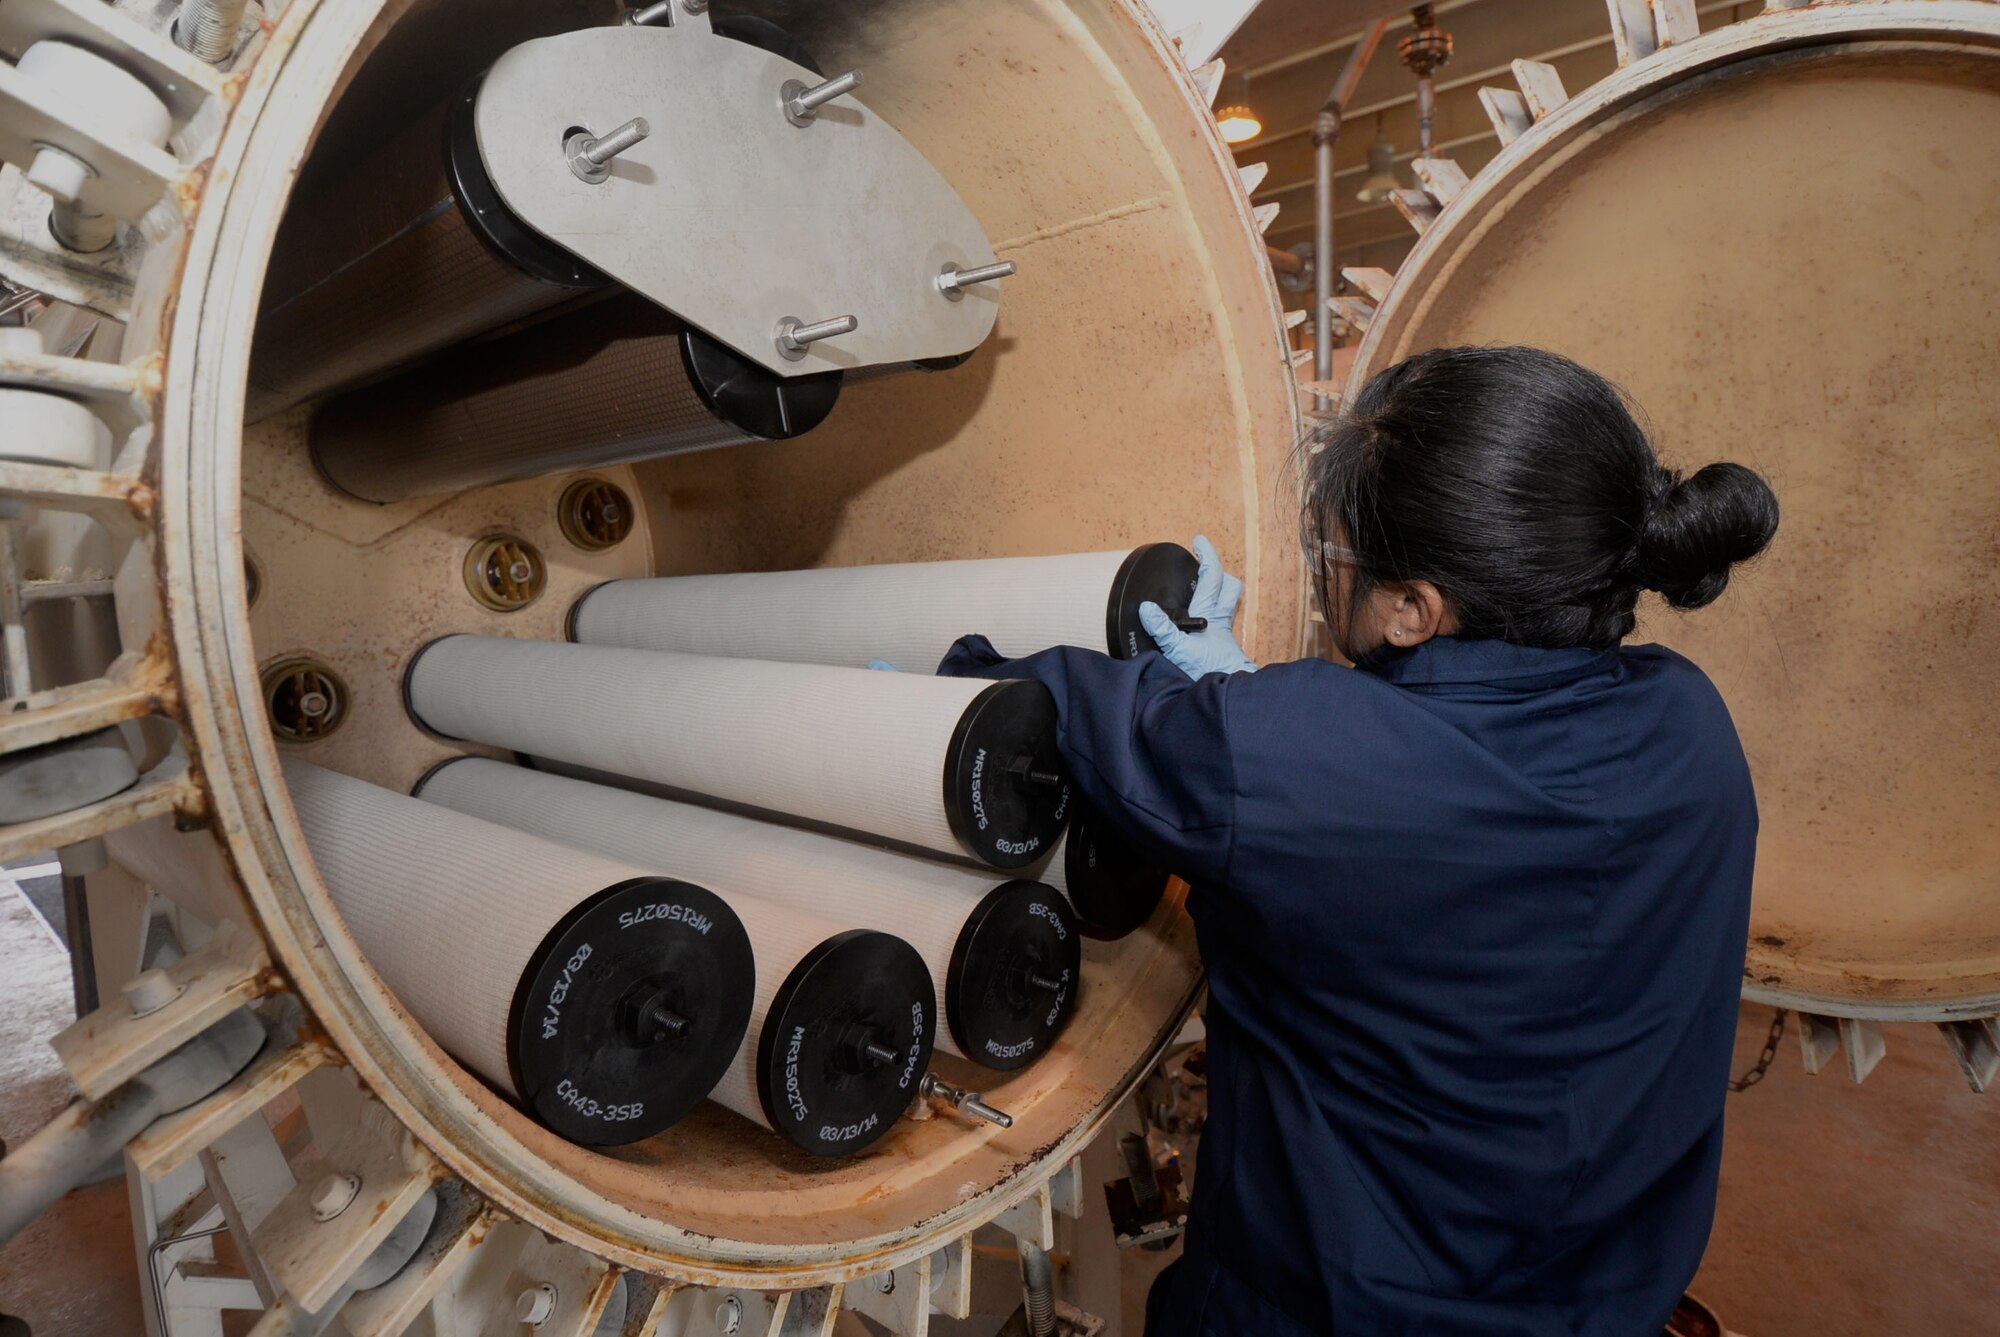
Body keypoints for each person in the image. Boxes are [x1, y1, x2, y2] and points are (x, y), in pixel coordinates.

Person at [939, 346, 1780, 1336]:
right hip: (1597, 1299)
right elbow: (1404, 802)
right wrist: (1258, 713)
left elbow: (1035, 696)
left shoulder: (1294, 759)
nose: (1324, 571)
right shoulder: (1693, 724)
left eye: (1331, 557)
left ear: (1415, 609)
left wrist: (932, 679)